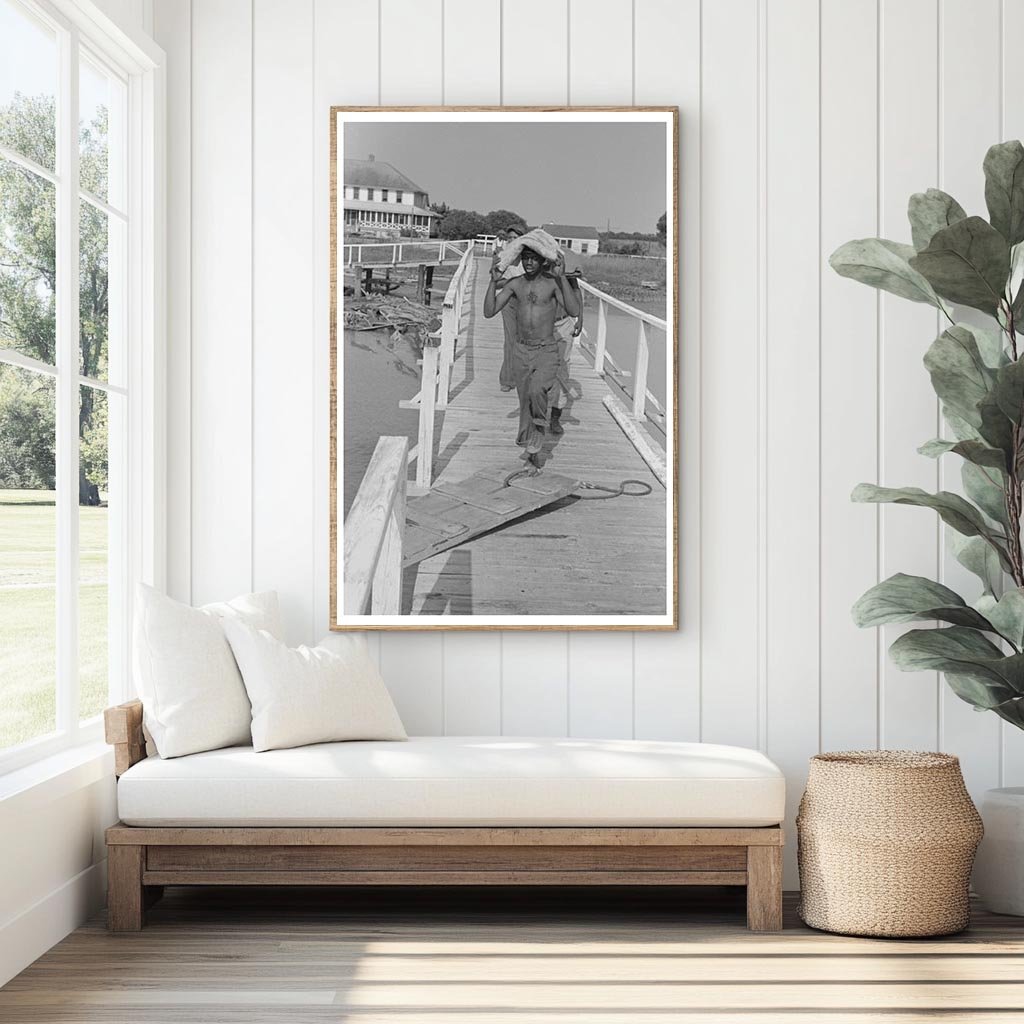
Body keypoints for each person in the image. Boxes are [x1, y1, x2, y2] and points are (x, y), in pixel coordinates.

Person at [483, 244, 580, 456]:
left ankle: (539, 428)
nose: (529, 263)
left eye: (534, 259)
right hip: (521, 350)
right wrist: (492, 281)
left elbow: (573, 310)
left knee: (538, 390)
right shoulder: (515, 284)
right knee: (525, 398)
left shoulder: (553, 284)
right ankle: (530, 449)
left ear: (543, 260)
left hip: (545, 350)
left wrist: (562, 277)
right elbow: (489, 311)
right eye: (525, 258)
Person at [494, 224, 526, 391]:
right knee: (510, 340)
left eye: (516, 237)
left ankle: (524, 377)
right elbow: (495, 281)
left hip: (528, 302)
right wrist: (512, 282)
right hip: (509, 300)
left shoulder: (529, 257)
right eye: (510, 238)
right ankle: (507, 379)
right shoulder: (503, 257)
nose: (513, 241)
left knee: (526, 340)